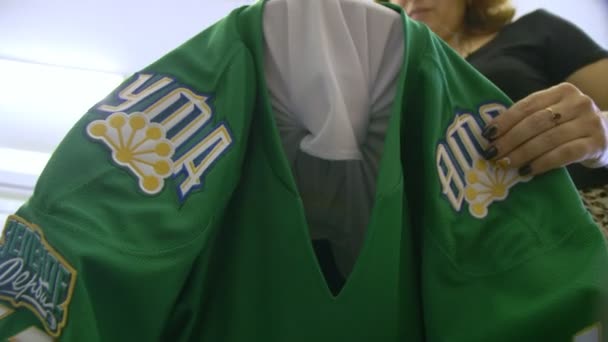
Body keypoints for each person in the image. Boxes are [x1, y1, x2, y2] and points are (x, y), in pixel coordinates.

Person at [0, 1, 606, 341]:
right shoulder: (363, 48)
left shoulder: (536, 33)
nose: (413, 1)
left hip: (521, 235)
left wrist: (598, 137)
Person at [391, 0, 608, 234]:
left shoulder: (535, 30)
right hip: (487, 258)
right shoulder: (394, 92)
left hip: (590, 219)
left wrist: (602, 136)